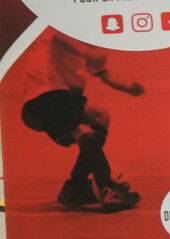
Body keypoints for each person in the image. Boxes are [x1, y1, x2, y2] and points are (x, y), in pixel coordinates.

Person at [20, 32, 143, 211]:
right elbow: (58, 37)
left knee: (101, 116)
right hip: (43, 92)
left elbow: (104, 72)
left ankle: (75, 187)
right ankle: (106, 187)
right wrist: (87, 52)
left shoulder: (92, 40)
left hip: (66, 96)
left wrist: (128, 86)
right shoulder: (62, 26)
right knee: (82, 131)